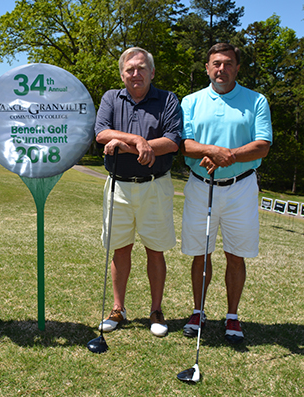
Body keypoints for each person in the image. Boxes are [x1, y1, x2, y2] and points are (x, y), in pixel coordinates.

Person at [180, 43, 272, 344]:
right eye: (216, 63)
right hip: (200, 185)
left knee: (236, 254)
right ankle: (198, 310)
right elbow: (184, 144)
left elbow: (262, 145)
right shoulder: (191, 101)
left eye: (228, 63)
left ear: (237, 67)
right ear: (207, 68)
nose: (222, 69)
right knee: (200, 254)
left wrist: (226, 155)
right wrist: (210, 151)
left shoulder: (256, 101)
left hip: (241, 187)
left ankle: (232, 316)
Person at [94, 47, 182, 337]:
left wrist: (124, 144)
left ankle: (156, 310)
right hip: (118, 185)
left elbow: (171, 141)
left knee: (155, 250)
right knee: (120, 249)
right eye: (130, 69)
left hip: (154, 185)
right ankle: (118, 309)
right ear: (122, 73)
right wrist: (138, 141)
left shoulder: (168, 99)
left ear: (152, 72)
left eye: (142, 68)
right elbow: (101, 133)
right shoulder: (110, 97)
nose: (136, 73)